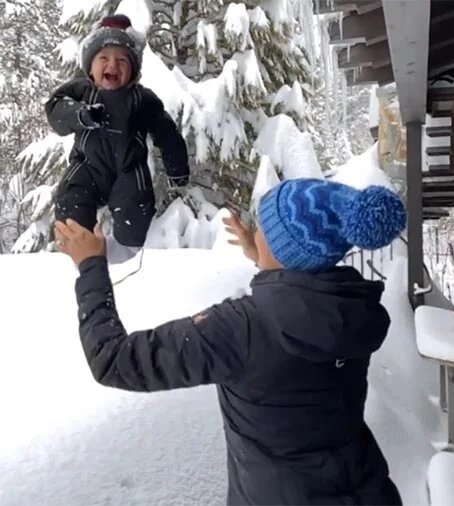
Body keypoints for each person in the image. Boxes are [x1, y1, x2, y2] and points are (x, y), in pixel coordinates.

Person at [54, 178, 407, 505]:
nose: (257, 229)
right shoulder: (354, 311)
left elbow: (113, 361)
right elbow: (299, 305)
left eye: (265, 225)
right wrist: (269, 265)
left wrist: (90, 267)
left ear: (282, 247)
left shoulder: (239, 329)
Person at [47, 14, 189, 263]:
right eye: (103, 58)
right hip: (87, 167)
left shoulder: (141, 99)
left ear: (133, 71)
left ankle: (129, 257)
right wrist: (79, 115)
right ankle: (75, 254)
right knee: (71, 199)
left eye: (122, 60)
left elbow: (166, 132)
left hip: (128, 170)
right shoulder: (83, 91)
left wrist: (177, 168)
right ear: (90, 67)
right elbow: (56, 108)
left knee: (134, 206)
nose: (112, 65)